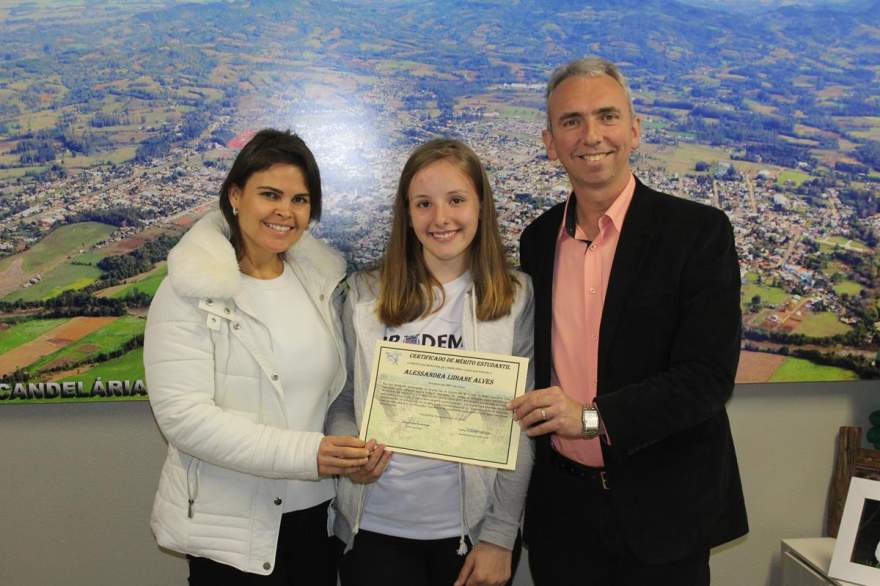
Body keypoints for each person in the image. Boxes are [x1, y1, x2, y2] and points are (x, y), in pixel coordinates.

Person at [510, 57, 748, 585]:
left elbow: (707, 378)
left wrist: (592, 419)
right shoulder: (537, 240)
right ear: (550, 143)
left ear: (634, 131)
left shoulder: (698, 234)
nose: (591, 135)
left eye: (607, 116)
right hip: (562, 518)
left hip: (663, 514)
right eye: (571, 121)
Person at [144, 129, 370, 584]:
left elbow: (336, 393)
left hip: (317, 522)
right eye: (270, 194)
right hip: (232, 533)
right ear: (235, 195)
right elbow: (184, 419)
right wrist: (309, 454)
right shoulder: (190, 289)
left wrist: (349, 450)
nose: (285, 212)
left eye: (301, 200)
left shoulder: (321, 285)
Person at [327, 138, 534, 586]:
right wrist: (351, 453)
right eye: (424, 203)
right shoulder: (363, 295)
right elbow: (343, 401)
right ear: (407, 213)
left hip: (470, 536)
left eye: (456, 200)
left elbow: (520, 426)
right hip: (373, 527)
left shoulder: (515, 297)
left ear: (481, 205)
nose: (440, 218)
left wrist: (499, 536)